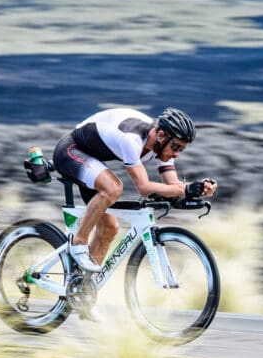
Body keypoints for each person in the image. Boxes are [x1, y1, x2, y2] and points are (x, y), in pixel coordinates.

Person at [52, 107, 217, 272]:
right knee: (113, 188)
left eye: (181, 149)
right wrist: (185, 189)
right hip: (71, 151)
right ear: (160, 136)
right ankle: (78, 242)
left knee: (109, 228)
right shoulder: (132, 139)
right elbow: (144, 188)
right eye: (175, 147)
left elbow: (174, 187)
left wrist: (198, 190)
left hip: (92, 159)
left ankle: (82, 287)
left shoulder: (162, 145)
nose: (177, 154)